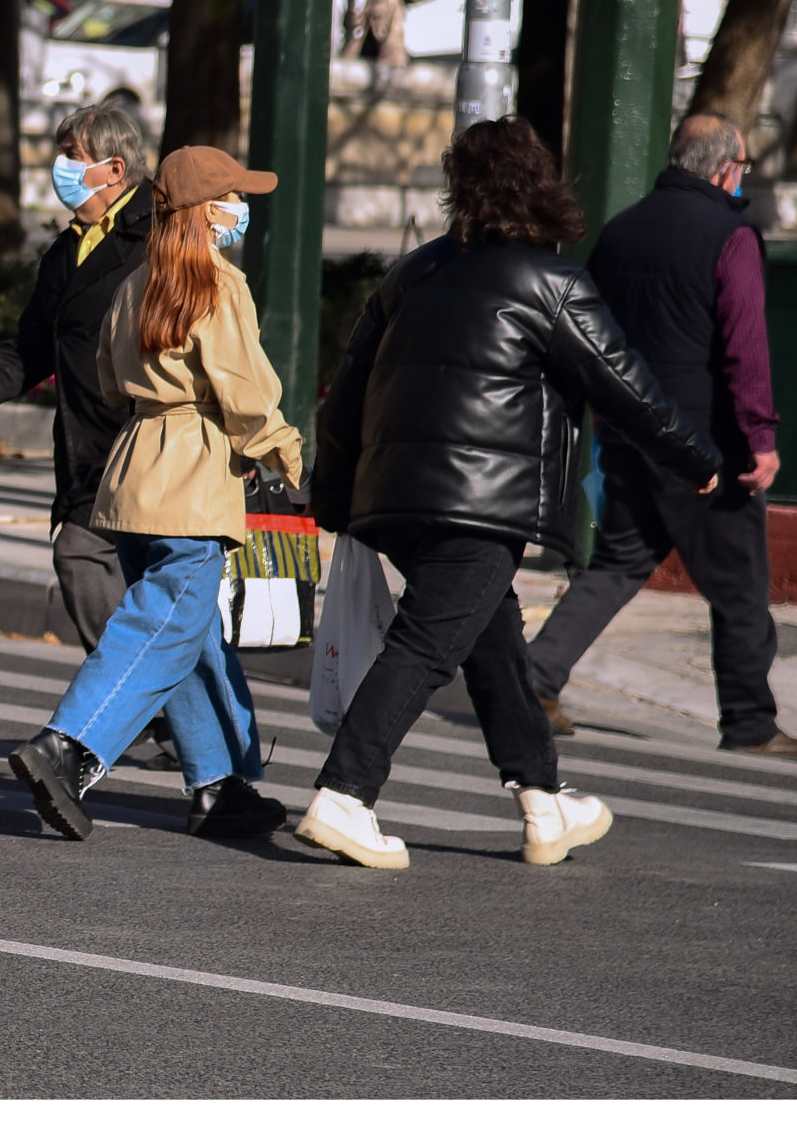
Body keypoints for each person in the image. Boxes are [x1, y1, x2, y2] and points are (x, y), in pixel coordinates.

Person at [302, 117, 720, 870]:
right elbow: (627, 387)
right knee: (428, 644)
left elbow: (345, 398)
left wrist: (332, 497)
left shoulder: (410, 274)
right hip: (482, 501)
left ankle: (543, 800)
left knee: (492, 642)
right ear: (540, 184)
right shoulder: (550, 282)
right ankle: (344, 793)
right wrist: (696, 459)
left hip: (394, 498)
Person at [7, 145, 299, 841]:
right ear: (208, 211)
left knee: (188, 634)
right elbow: (247, 394)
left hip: (134, 469)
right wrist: (288, 455)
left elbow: (110, 380)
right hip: (194, 475)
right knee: (162, 627)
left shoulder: (135, 280)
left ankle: (219, 784)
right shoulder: (219, 283)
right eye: (235, 198)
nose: (242, 210)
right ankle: (69, 745)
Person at [527, 114, 797, 760]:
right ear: (723, 170)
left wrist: (603, 414)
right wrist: (760, 435)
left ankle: (536, 677)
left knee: (617, 564)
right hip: (704, 442)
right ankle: (749, 722)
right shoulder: (731, 236)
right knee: (739, 586)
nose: (741, 180)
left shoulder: (620, 231)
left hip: (629, 431)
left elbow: (590, 334)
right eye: (741, 169)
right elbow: (745, 345)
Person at [0, 103, 151, 653]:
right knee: (102, 570)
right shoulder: (68, 250)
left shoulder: (158, 240)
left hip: (148, 449)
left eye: (73, 155)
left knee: (96, 563)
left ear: (115, 169)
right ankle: (145, 696)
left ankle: (136, 694)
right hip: (90, 456)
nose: (60, 167)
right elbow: (32, 347)